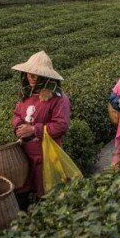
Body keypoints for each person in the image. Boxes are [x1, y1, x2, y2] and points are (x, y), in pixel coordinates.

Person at [10, 51, 71, 206]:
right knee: (21, 196)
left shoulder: (58, 98)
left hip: (45, 155)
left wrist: (33, 130)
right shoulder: (26, 94)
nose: (31, 77)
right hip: (24, 155)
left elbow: (60, 126)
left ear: (46, 77)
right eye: (29, 73)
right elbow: (16, 114)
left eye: (36, 74)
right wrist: (18, 125)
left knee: (45, 197)